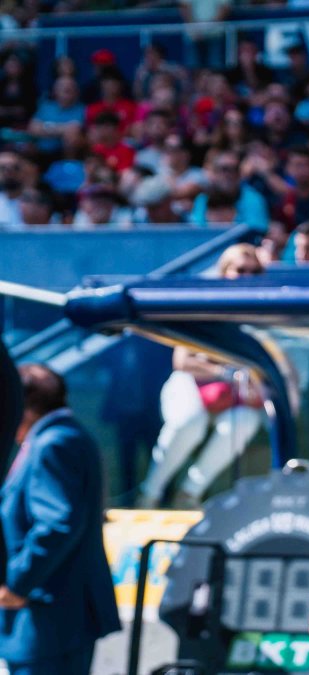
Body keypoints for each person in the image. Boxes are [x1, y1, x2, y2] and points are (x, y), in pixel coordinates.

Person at [0, 365, 120, 674]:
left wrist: (16, 583)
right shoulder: (68, 435)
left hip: (49, 617)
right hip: (55, 618)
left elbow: (57, 523)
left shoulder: (53, 443)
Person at [137, 244, 265, 507]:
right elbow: (182, 361)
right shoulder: (204, 302)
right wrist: (225, 372)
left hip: (233, 394)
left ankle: (189, 494)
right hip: (192, 383)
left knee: (244, 422)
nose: (247, 277)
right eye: (240, 270)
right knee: (189, 422)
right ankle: (149, 494)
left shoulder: (263, 312)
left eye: (254, 271)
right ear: (225, 271)